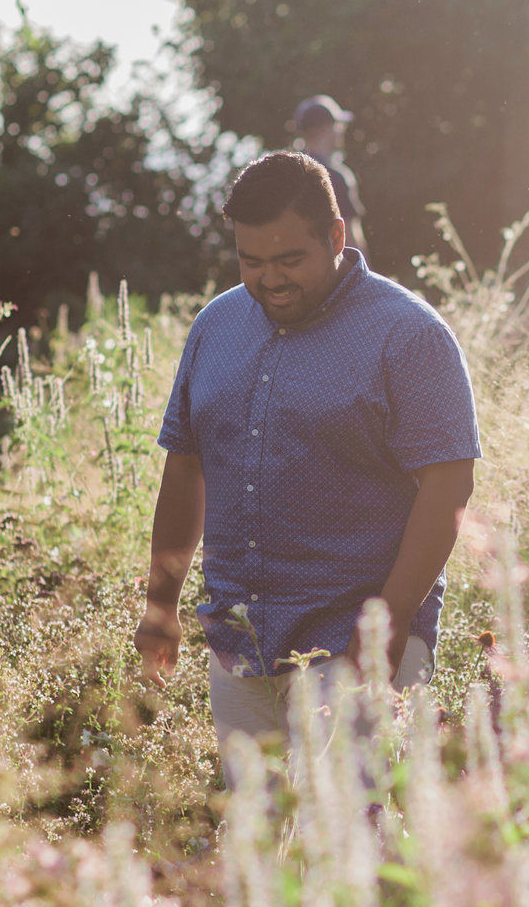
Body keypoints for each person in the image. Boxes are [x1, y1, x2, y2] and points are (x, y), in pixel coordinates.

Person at [135, 151, 480, 743]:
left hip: (354, 643)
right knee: (255, 833)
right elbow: (186, 467)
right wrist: (160, 605)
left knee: (353, 833)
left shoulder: (410, 335)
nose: (270, 278)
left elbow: (449, 485)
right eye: (251, 261)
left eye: (290, 259)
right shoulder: (214, 327)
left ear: (337, 235)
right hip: (238, 645)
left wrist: (387, 627)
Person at [293, 94, 368, 259]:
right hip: (333, 275)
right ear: (327, 127)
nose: (342, 130)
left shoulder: (289, 175)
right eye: (339, 125)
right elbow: (352, 238)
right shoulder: (337, 178)